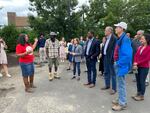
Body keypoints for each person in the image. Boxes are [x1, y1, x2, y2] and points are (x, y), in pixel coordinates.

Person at [112, 22, 132, 111]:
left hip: (121, 65)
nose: (115, 28)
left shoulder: (125, 39)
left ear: (122, 29)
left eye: (117, 27)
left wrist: (118, 63)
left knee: (121, 85)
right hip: (119, 64)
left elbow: (127, 55)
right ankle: (120, 99)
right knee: (120, 84)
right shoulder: (121, 38)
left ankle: (122, 103)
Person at [132, 34, 150, 101]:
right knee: (138, 81)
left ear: (147, 40)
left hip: (144, 67)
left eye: (142, 39)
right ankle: (138, 93)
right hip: (137, 66)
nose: (141, 40)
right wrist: (134, 62)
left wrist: (137, 63)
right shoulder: (140, 47)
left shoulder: (149, 48)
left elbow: (147, 59)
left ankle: (142, 95)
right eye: (141, 39)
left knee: (142, 81)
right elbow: (136, 55)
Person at [101, 27, 117, 95]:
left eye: (105, 30)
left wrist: (113, 58)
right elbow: (105, 47)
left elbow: (115, 49)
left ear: (109, 31)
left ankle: (114, 88)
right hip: (105, 57)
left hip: (110, 58)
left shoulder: (114, 38)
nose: (104, 31)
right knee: (106, 71)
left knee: (113, 73)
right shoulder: (107, 38)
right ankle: (107, 85)